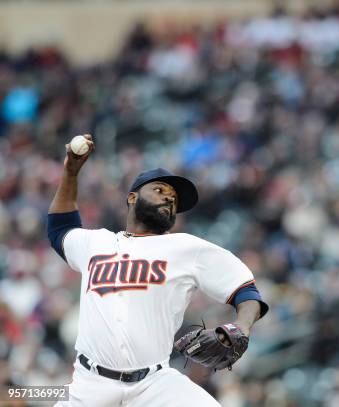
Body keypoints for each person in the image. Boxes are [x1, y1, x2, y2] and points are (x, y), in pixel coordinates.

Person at [47, 135, 268, 406]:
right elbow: (60, 228)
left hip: (154, 385)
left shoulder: (185, 247)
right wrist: (70, 171)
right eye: (160, 190)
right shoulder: (96, 243)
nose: (169, 199)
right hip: (89, 385)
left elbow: (246, 291)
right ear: (132, 197)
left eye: (174, 198)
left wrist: (241, 328)